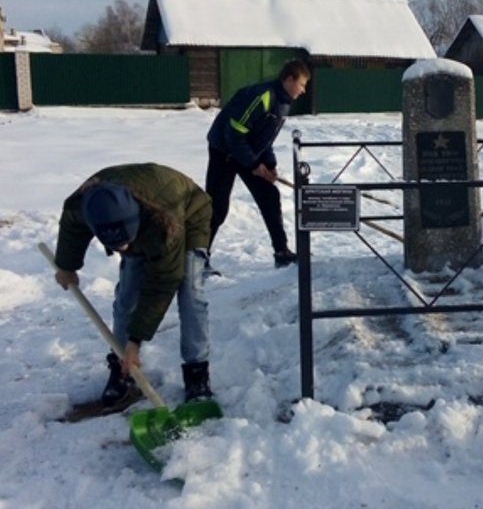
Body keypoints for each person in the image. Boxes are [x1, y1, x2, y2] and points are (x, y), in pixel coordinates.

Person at [52, 163, 214, 407]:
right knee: (127, 295)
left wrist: (136, 340)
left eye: (127, 242)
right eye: (119, 246)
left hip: (188, 214)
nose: (124, 250)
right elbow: (72, 227)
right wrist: (67, 265)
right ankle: (122, 366)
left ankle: (196, 372)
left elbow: (163, 282)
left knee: (190, 291)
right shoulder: (82, 205)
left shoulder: (163, 222)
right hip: (142, 217)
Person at [205, 59, 311, 267]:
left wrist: (269, 165)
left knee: (269, 195)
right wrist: (254, 165)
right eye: (302, 84)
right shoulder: (263, 96)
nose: (304, 90)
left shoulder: (283, 103)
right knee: (216, 207)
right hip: (224, 151)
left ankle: (281, 251)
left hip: (246, 151)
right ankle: (198, 258)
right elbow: (234, 134)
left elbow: (264, 139)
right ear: (289, 79)